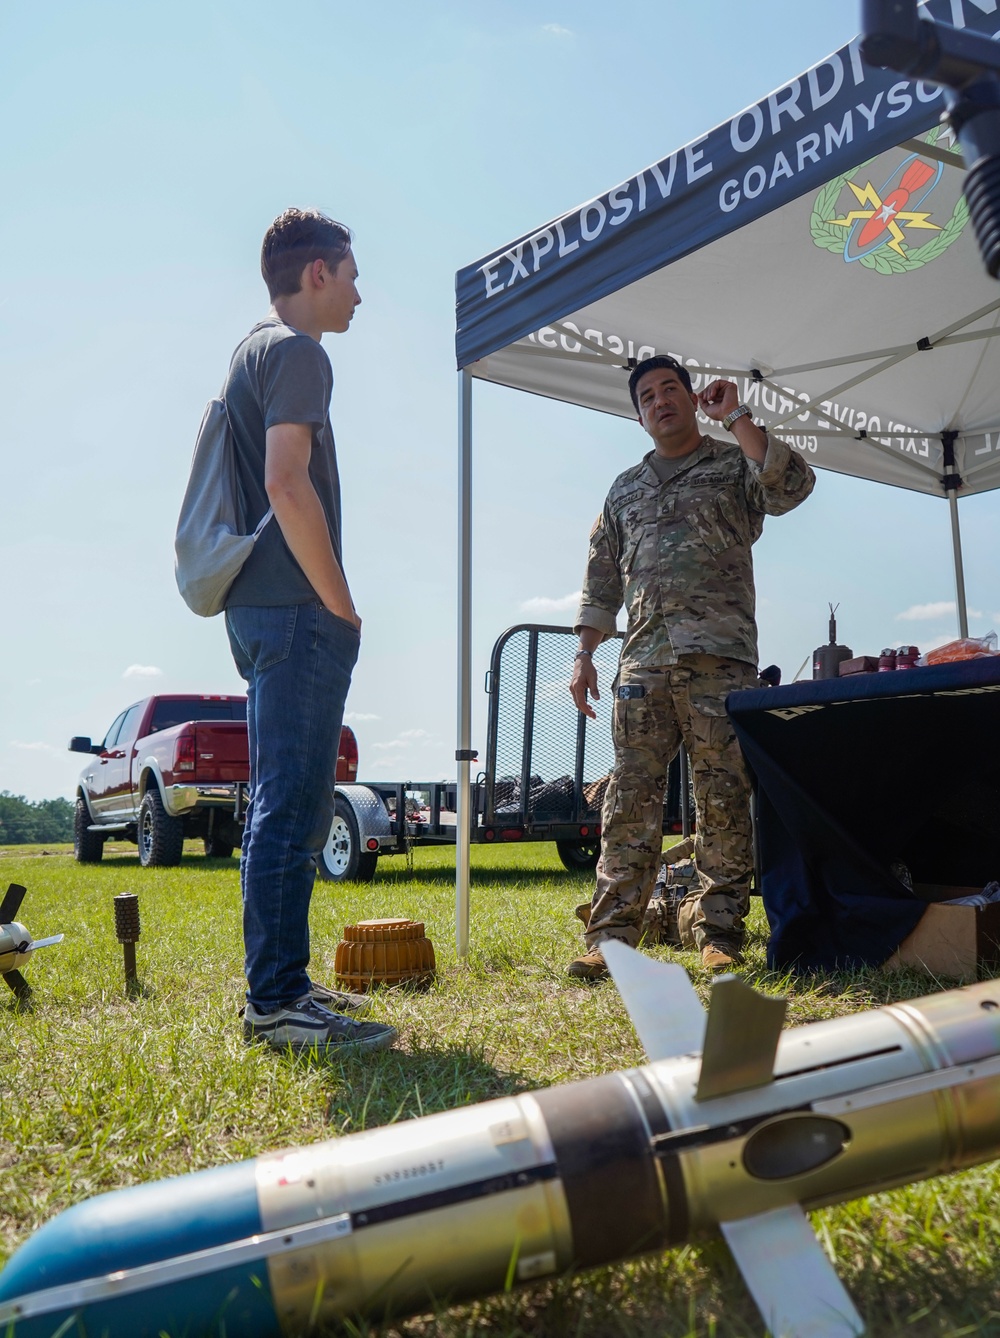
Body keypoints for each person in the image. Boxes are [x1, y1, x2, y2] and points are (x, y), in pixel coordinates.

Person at [568, 355, 815, 979]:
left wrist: (735, 416)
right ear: (639, 413)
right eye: (647, 396)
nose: (660, 401)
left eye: (669, 389)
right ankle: (612, 937)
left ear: (689, 395)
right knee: (628, 802)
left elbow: (790, 487)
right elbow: (602, 580)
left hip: (719, 661)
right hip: (642, 665)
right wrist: (585, 653)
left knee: (723, 801)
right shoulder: (624, 489)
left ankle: (719, 932)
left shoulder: (731, 463)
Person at [223, 207, 397, 1054]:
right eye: (352, 275)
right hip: (296, 608)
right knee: (291, 808)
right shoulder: (299, 353)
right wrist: (342, 603)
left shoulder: (251, 349)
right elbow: (286, 482)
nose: (361, 294)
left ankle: (282, 983)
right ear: (318, 274)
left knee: (278, 804)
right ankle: (276, 1004)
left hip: (258, 609)